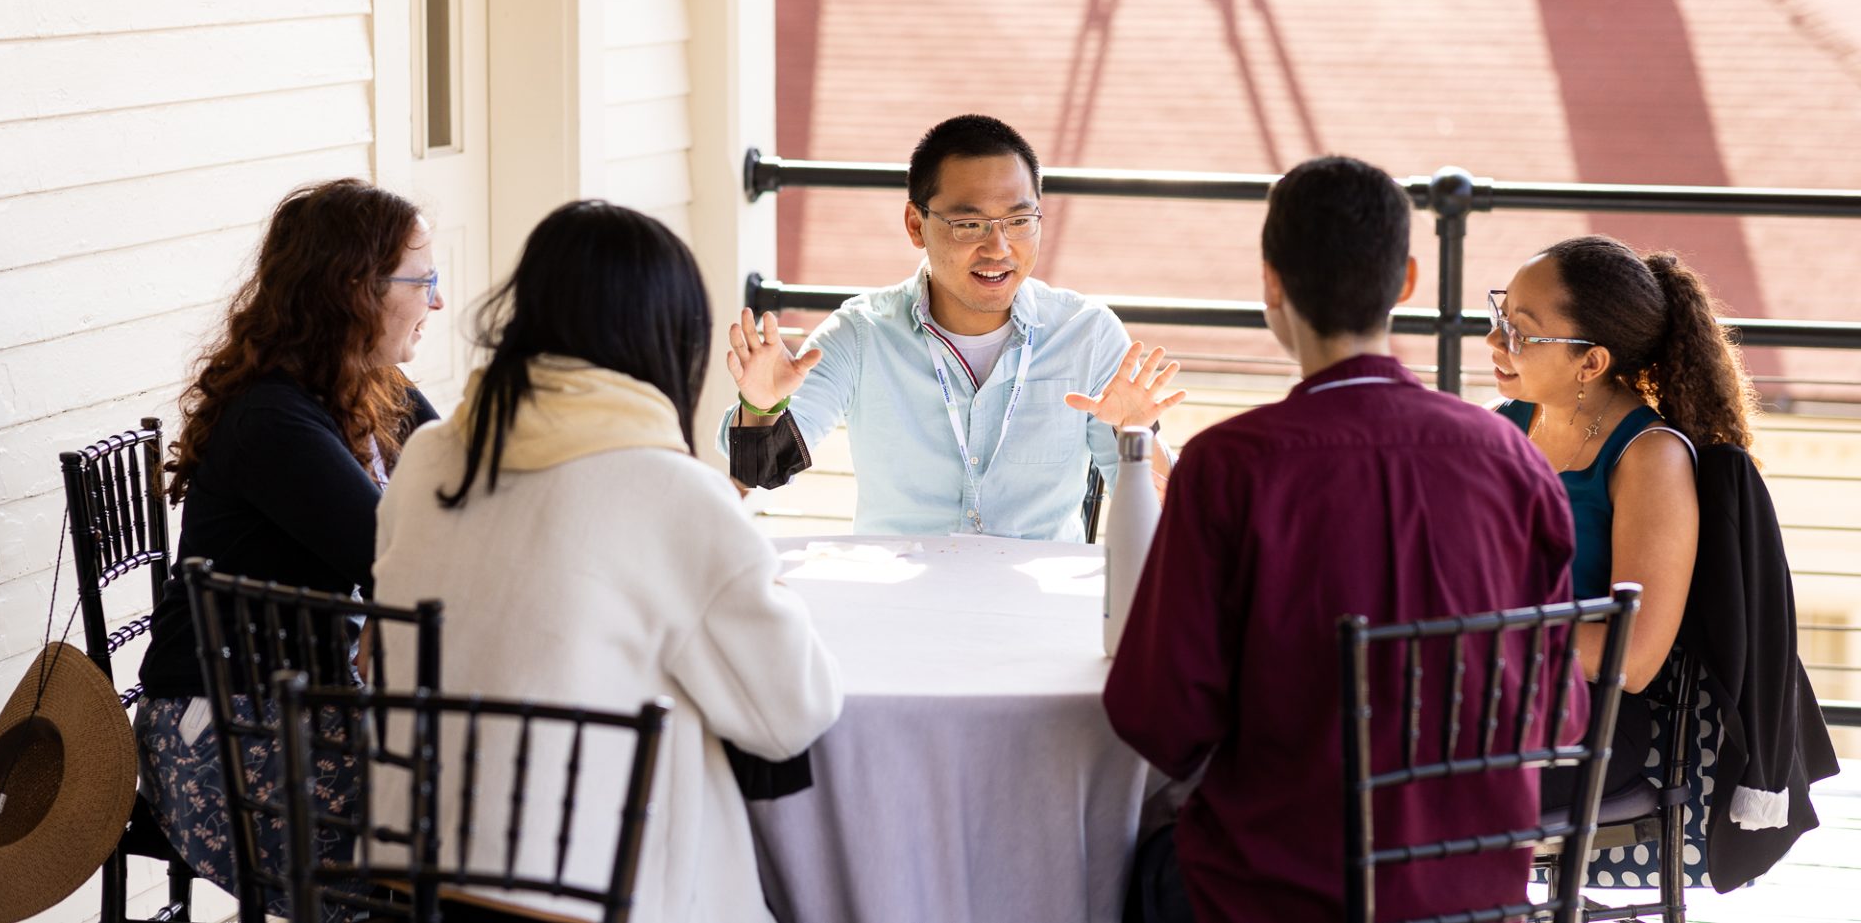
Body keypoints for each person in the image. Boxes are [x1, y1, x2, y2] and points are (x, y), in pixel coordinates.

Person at [1104, 156, 1583, 923]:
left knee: (1110, 864)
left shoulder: (1232, 465)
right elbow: (1560, 710)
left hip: (1279, 891)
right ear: (1406, 281)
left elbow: (1162, 720)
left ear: (1271, 283)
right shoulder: (1513, 459)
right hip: (1472, 893)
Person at [374, 201, 842, 923]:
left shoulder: (430, 456)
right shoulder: (670, 492)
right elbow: (792, 713)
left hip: (416, 881)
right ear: (664, 337)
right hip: (592, 897)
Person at [134, 178, 444, 894]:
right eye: (423, 280)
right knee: (468, 826)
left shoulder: (373, 385)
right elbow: (393, 554)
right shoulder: (273, 421)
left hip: (313, 700)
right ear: (355, 289)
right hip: (226, 737)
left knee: (491, 799)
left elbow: (465, 481)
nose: (436, 301)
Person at [723, 114, 1184, 539]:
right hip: (903, 605)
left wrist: (1137, 438)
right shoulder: (861, 334)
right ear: (915, 225)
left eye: (1020, 221)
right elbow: (760, 472)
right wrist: (761, 406)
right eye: (969, 224)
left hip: (1037, 611)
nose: (999, 248)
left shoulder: (1087, 335)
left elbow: (1166, 510)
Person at [1487, 235, 1758, 808]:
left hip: (1589, 721)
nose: (1493, 341)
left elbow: (1634, 661)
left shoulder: (1649, 458)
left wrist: (1489, 630)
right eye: (1499, 315)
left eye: (1519, 330)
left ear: (1591, 361)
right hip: (1492, 689)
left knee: (1387, 773)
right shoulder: (1502, 428)